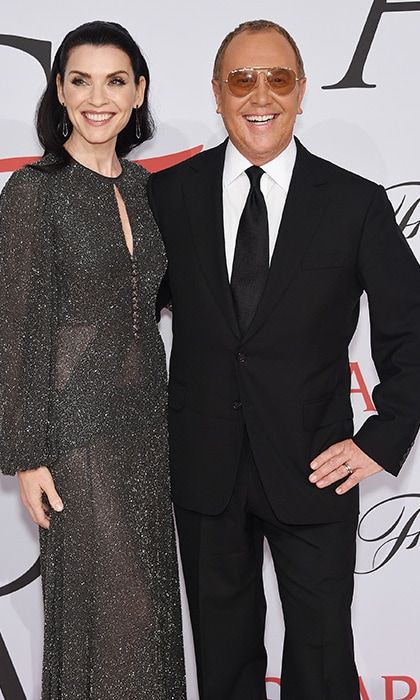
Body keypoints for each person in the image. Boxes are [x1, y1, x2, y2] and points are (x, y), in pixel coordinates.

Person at [148, 19, 420, 700]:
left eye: (277, 78)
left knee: (324, 660)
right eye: (241, 79)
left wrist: (381, 441)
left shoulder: (355, 204)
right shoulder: (167, 197)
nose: (258, 95)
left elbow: (412, 334)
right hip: (205, 469)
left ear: (301, 92)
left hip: (316, 466)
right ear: (216, 92)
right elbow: (125, 324)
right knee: (223, 659)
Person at [0, 20, 186, 700]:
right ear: (60, 90)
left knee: (152, 617)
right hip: (75, 435)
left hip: (148, 426)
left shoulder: (149, 188)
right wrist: (26, 454)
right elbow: (14, 326)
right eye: (81, 80)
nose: (97, 97)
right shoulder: (34, 191)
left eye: (115, 81)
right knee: (118, 615)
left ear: (138, 93)